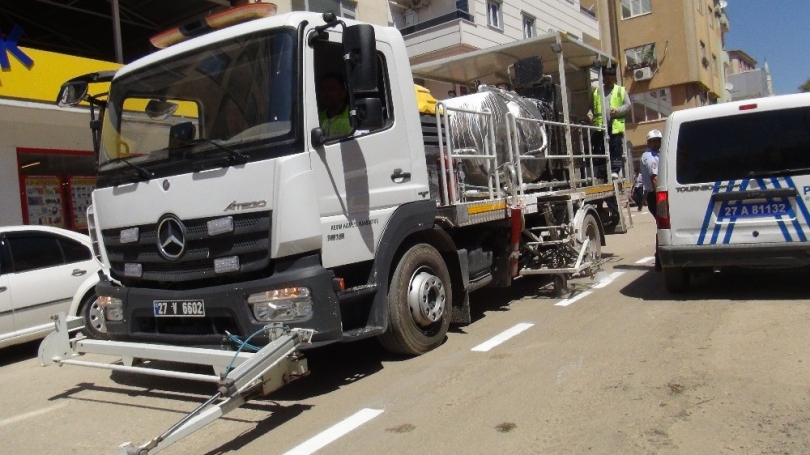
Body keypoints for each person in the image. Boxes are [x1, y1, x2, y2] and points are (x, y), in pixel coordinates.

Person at [587, 66, 630, 180]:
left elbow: (628, 105)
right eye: (607, 77)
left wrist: (617, 111)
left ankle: (615, 170)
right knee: (599, 148)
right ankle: (602, 172)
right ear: (603, 78)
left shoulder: (621, 90)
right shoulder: (596, 91)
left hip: (614, 124)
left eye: (612, 78)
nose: (610, 80)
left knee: (615, 147)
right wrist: (590, 114)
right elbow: (591, 107)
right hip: (600, 126)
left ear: (614, 78)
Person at [640, 129, 662, 271]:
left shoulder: (658, 155)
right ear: (648, 142)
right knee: (663, 225)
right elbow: (654, 179)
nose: (657, 143)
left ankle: (660, 258)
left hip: (658, 194)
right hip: (655, 195)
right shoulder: (648, 157)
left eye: (658, 140)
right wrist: (661, 198)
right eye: (654, 140)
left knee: (664, 226)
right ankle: (660, 260)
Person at [318, 72, 352, 138]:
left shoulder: (353, 116)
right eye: (323, 89)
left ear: (343, 93)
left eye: (331, 89)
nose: (326, 93)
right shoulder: (317, 118)